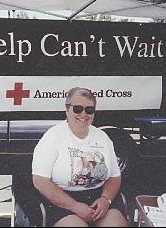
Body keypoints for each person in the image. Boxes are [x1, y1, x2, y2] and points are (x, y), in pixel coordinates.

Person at [32, 87, 128, 227]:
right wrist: (74, 206)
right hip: (62, 201)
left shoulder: (102, 138)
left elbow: (114, 177)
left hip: (98, 198)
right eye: (78, 109)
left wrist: (105, 199)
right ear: (67, 110)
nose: (84, 114)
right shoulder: (53, 137)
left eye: (89, 110)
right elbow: (40, 181)